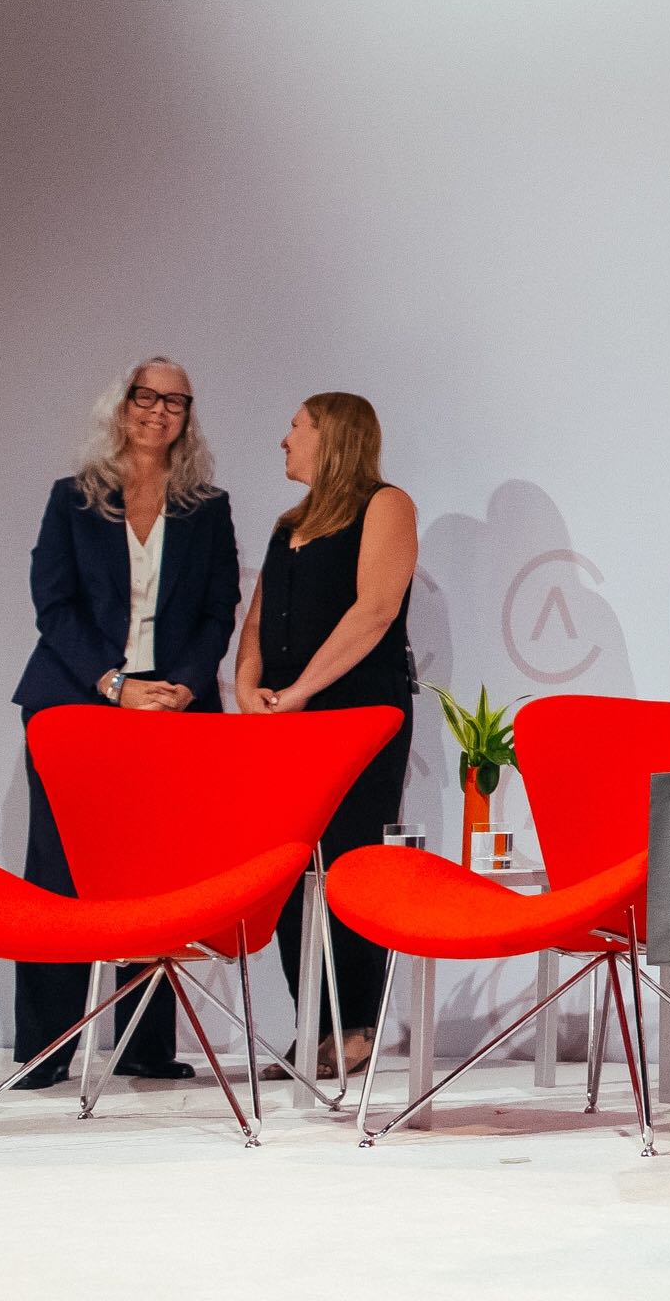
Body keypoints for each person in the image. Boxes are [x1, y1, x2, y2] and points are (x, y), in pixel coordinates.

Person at [13, 358, 241, 1088]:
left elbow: (219, 608)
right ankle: (46, 1048)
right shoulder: (73, 498)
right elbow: (53, 605)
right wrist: (114, 685)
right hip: (77, 703)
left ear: (188, 417)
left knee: (154, 876)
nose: (159, 411)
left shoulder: (208, 507)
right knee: (60, 872)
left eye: (176, 401)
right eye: (147, 396)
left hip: (171, 708)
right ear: (123, 405)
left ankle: (144, 1045)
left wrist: (185, 686)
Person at [236, 391, 419, 1081]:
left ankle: (356, 1027)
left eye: (296, 426)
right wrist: (248, 687)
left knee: (349, 863)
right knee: (290, 874)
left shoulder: (385, 505)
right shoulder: (288, 524)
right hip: (287, 716)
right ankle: (313, 1025)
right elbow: (257, 621)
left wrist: (302, 690)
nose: (284, 440)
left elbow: (376, 610)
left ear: (332, 434)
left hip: (355, 712)